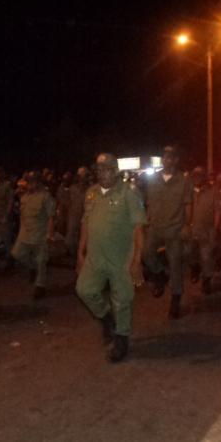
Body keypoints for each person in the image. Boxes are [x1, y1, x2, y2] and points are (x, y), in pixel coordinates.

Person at [76, 153, 146, 362]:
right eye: (99, 169)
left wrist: (136, 261)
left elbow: (138, 229)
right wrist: (80, 253)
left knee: (123, 298)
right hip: (95, 256)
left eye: (106, 169)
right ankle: (107, 318)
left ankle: (122, 337)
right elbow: (86, 224)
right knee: (84, 290)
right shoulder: (91, 193)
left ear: (115, 171)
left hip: (120, 257)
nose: (101, 173)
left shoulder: (129, 193)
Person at [143, 145, 193, 319]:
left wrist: (187, 224)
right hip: (155, 226)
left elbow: (188, 204)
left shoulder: (184, 180)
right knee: (147, 254)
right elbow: (149, 202)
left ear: (176, 160)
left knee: (175, 265)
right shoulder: (153, 179)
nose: (167, 160)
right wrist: (147, 220)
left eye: (171, 157)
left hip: (175, 228)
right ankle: (159, 275)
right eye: (165, 157)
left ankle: (175, 300)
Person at [11, 171, 56, 299]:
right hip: (25, 234)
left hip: (40, 234)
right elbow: (22, 216)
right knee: (17, 254)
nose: (29, 184)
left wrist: (50, 234)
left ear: (38, 182)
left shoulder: (45, 197)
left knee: (41, 261)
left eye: (32, 182)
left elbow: (51, 217)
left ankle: (40, 286)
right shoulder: (24, 197)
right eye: (28, 182)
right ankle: (32, 267)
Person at [188, 167, 218, 294]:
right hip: (191, 230)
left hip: (207, 230)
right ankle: (195, 268)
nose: (197, 178)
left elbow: (217, 212)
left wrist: (216, 228)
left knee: (206, 257)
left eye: (200, 175)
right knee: (190, 254)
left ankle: (206, 281)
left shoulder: (212, 192)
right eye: (195, 175)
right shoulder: (188, 192)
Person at [65, 167, 91, 260]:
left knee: (84, 237)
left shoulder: (91, 189)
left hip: (86, 216)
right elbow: (67, 202)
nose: (82, 177)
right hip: (73, 215)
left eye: (84, 175)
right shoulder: (72, 188)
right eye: (80, 175)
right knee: (70, 237)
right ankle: (74, 254)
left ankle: (81, 255)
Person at [55, 172, 73, 236]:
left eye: (67, 179)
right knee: (61, 228)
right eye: (65, 179)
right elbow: (58, 199)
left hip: (70, 212)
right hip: (61, 212)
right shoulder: (60, 188)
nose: (66, 181)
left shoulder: (73, 189)